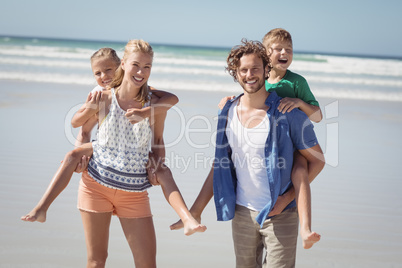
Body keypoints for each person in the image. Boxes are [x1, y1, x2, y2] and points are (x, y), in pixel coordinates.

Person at [172, 39, 325, 267]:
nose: (249, 74)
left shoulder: (289, 112)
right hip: (242, 213)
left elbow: (318, 161)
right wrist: (195, 211)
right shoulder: (228, 110)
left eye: (255, 68)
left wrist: (287, 198)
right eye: (243, 70)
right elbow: (220, 165)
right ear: (236, 73)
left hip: (281, 214)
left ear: (266, 70)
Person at [20, 47, 181, 227]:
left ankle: (186, 216)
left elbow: (171, 100)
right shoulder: (99, 93)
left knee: (161, 169)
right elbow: (78, 126)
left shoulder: (137, 87)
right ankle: (42, 208)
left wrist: (145, 112)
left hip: (131, 150)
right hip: (102, 143)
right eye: (98, 73)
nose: (104, 76)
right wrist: (82, 151)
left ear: (121, 67)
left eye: (108, 70)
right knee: (74, 153)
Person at [216, 28, 323, 249]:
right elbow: (249, 91)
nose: (284, 53)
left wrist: (299, 103)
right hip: (273, 142)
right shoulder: (261, 78)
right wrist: (230, 100)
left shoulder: (296, 82)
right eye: (277, 49)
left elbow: (318, 115)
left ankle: (305, 228)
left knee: (300, 173)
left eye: (289, 50)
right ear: (266, 56)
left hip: (294, 143)